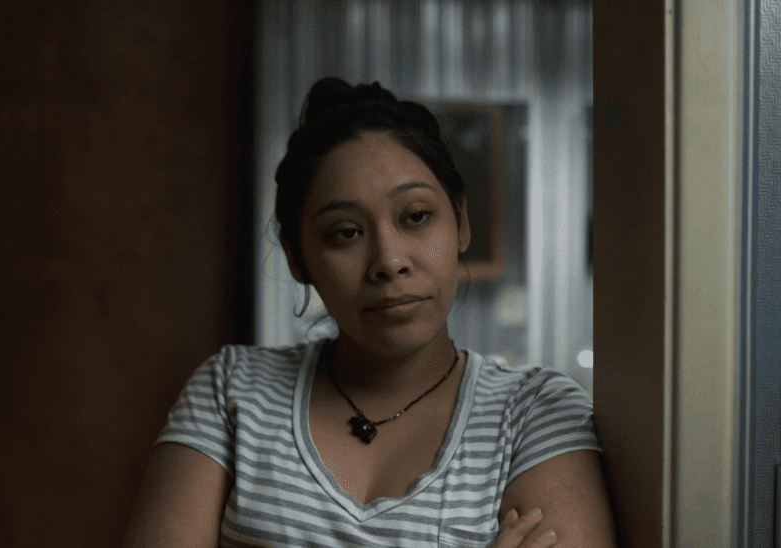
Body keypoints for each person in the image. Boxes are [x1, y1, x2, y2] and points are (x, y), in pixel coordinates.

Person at [123, 77, 615, 548]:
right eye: (345, 232)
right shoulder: (231, 391)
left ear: (460, 222)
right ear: (297, 257)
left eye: (416, 217)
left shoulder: (534, 413)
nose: (388, 260)